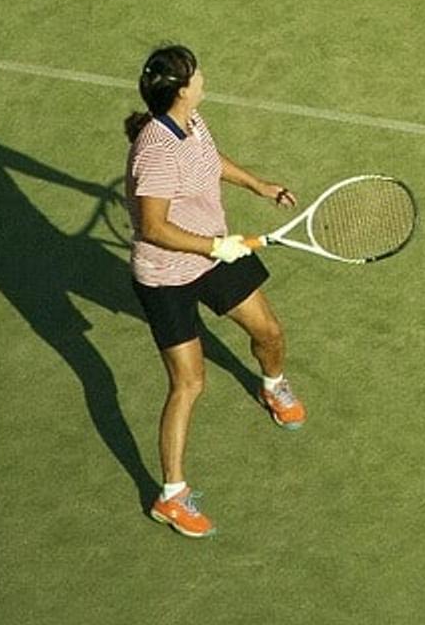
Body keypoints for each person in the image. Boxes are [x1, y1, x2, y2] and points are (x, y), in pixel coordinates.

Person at [123, 46, 300, 537]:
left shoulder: (191, 121)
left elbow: (208, 160)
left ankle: (272, 386)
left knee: (269, 330)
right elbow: (154, 226)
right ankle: (172, 497)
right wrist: (214, 245)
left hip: (210, 254)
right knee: (189, 383)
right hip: (166, 275)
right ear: (181, 90)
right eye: (195, 73)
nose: (202, 76)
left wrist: (257, 185)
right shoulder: (156, 150)